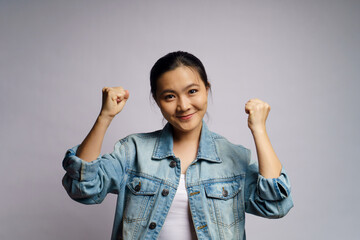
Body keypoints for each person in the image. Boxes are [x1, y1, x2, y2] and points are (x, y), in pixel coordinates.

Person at [62, 51, 293, 240]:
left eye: (192, 91)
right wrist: (105, 117)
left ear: (207, 89)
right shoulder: (133, 151)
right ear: (156, 100)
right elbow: (83, 187)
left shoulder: (234, 158)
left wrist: (259, 131)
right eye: (170, 96)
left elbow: (276, 205)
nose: (183, 106)